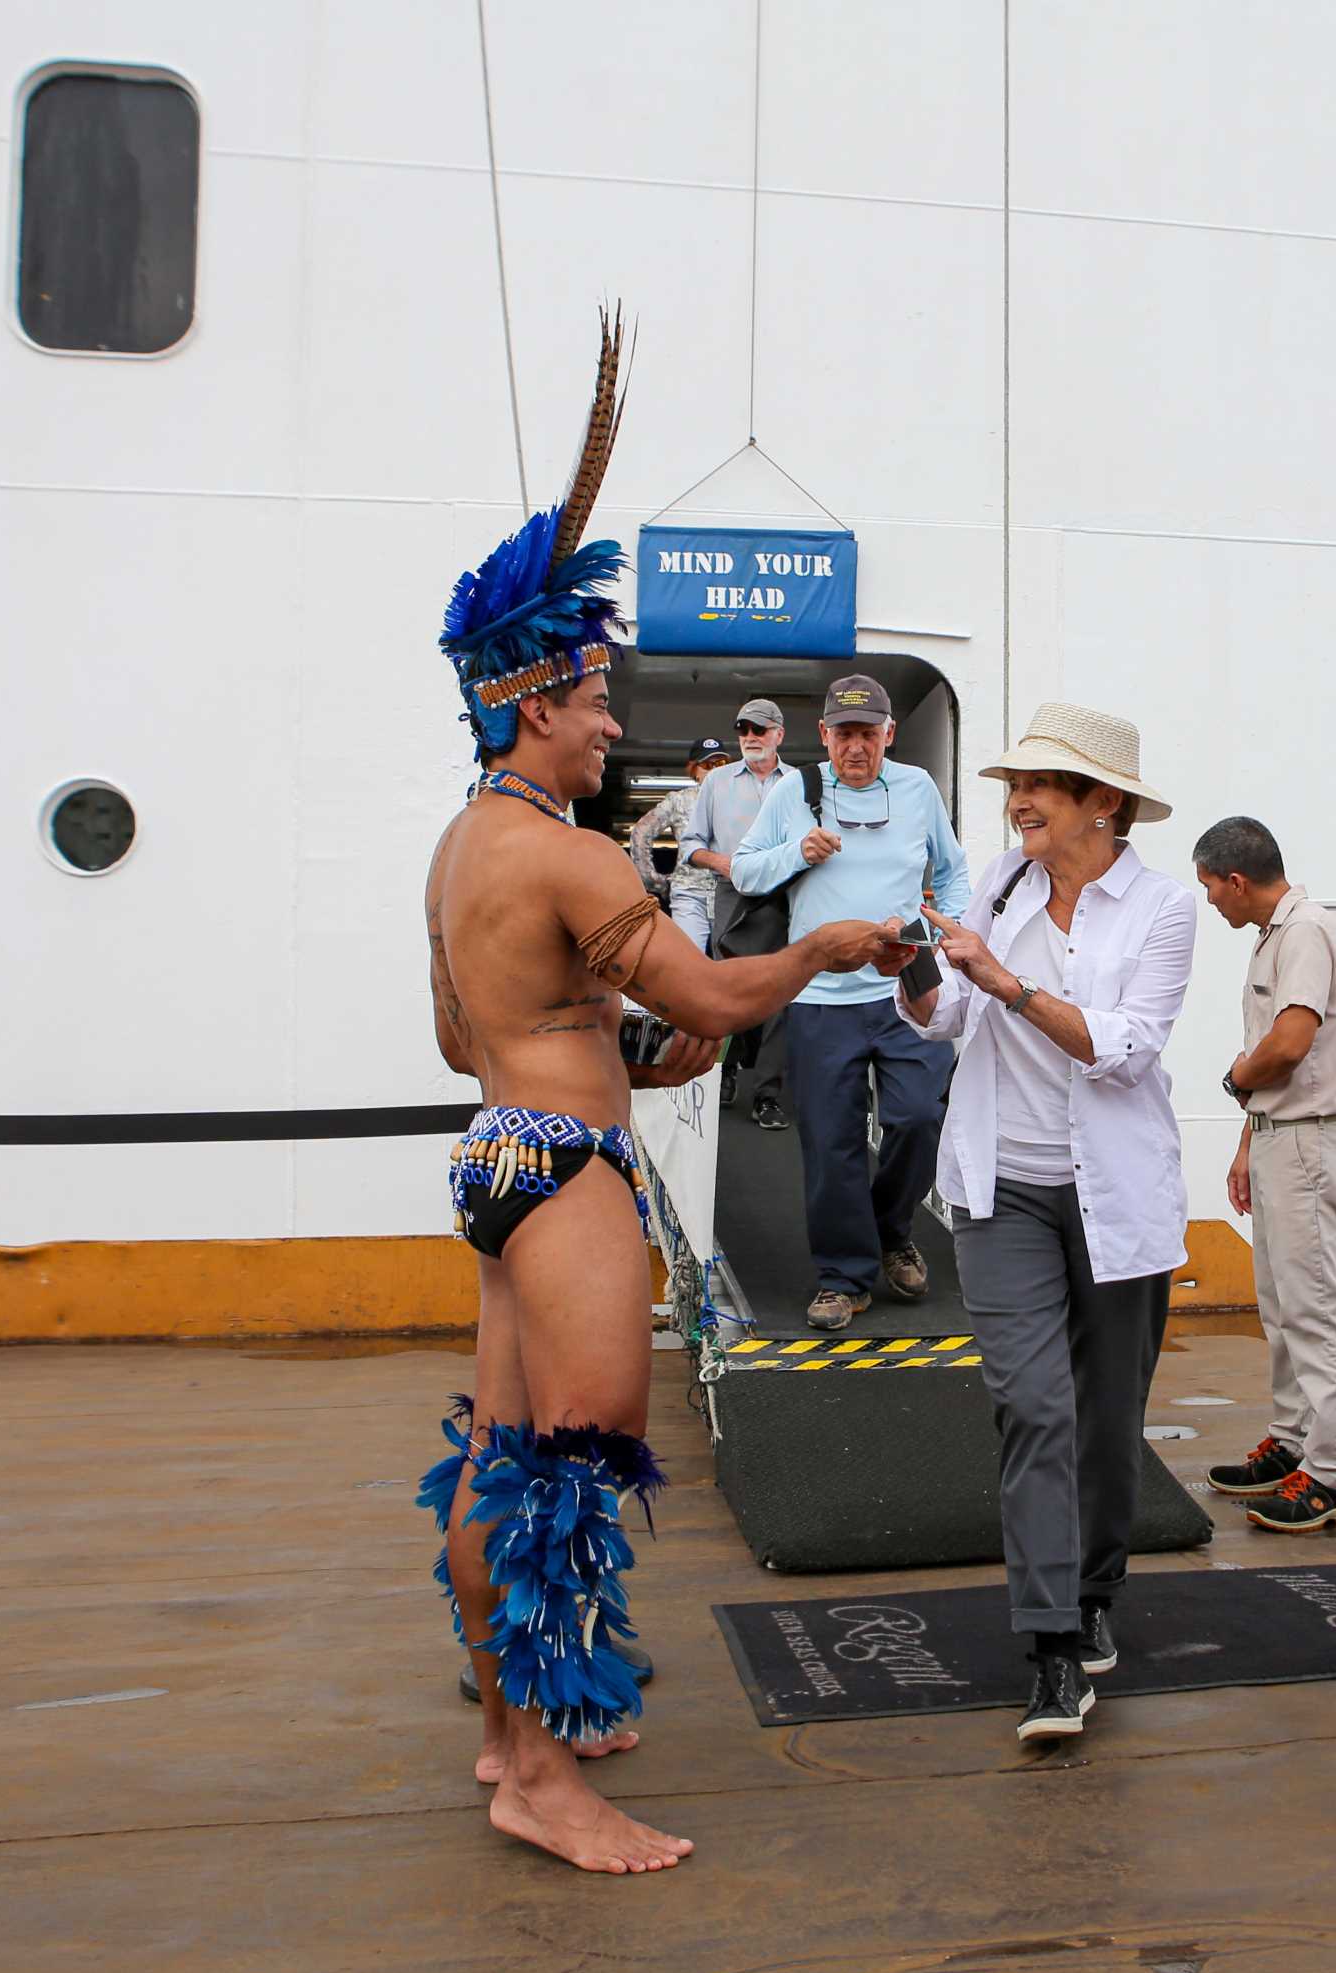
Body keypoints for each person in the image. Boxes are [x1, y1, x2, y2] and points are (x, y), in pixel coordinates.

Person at [413, 310, 909, 1873]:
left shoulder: (461, 852)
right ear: (536, 702)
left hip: (503, 1139)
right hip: (565, 1175)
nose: (616, 723)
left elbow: (464, 1039)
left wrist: (619, 1047)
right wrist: (818, 943)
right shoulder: (558, 851)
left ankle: (507, 1740)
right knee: (574, 1458)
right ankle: (550, 1780)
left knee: (503, 1456)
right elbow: (705, 992)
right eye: (598, 701)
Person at [900, 702, 1195, 1744]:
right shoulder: (1000, 879)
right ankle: (1052, 1647)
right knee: (1035, 1405)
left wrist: (1008, 980)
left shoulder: (1163, 907)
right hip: (1002, 1191)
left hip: (1113, 1194)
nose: (1017, 799)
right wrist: (913, 962)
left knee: (1110, 1419)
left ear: (1103, 803)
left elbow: (1123, 1048)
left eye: (1042, 783)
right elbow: (946, 1019)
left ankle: (1097, 1582)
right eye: (1013, 781)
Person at [732, 674, 973, 1329]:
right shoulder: (794, 792)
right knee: (831, 1141)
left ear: (889, 734)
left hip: (908, 983)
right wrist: (795, 852)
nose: (856, 747)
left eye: (869, 733)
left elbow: (952, 875)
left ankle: (891, 1230)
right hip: (820, 997)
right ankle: (844, 1276)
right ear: (825, 735)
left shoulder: (918, 789)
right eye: (845, 734)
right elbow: (745, 870)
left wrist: (940, 938)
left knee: (921, 1116)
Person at [1193, 815, 1336, 1532]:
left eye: (1210, 887)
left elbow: (1289, 1043)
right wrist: (1247, 1136)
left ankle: (1331, 1474)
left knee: (1316, 1309)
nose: (1209, 902)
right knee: (1283, 1305)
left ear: (1237, 880)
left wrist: (1235, 1082)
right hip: (1281, 1136)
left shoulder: (1303, 932)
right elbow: (1274, 1054)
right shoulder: (1278, 934)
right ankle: (1295, 1444)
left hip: (1308, 1142)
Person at [689, 697, 801, 1126]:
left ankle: (767, 1095)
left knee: (779, 996)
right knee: (729, 992)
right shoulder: (716, 782)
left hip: (784, 898)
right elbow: (691, 845)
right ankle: (726, 1069)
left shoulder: (801, 783)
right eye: (743, 730)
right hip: (732, 895)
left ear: (779, 734)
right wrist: (723, 863)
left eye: (759, 729)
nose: (750, 738)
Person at [629, 738, 734, 949]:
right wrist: (654, 881)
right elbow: (640, 832)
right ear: (694, 770)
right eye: (706, 765)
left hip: (730, 894)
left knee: (732, 963)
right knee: (688, 960)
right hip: (689, 894)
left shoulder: (741, 799)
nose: (713, 770)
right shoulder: (678, 800)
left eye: (720, 764)